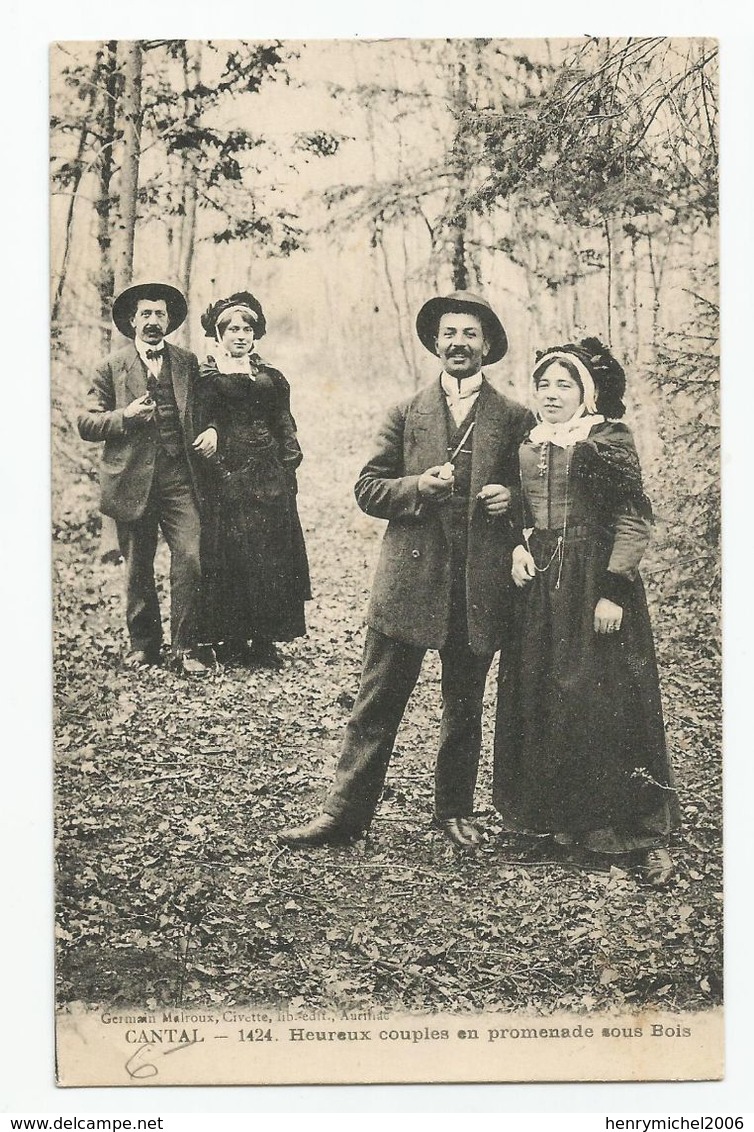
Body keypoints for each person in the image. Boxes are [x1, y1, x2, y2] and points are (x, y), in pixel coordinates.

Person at [279, 290, 531, 850]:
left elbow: (540, 496)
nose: (459, 343)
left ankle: (454, 810)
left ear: (487, 345)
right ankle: (344, 813)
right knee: (377, 702)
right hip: (409, 584)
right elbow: (368, 489)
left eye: (470, 334)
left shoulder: (516, 416)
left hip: (477, 586)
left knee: (464, 706)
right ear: (435, 344)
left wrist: (508, 499)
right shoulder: (405, 411)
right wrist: (417, 486)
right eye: (449, 334)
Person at [493, 337, 679, 886]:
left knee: (601, 697)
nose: (551, 395)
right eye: (544, 385)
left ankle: (620, 830)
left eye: (564, 385)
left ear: (585, 393)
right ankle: (549, 821)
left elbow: (633, 518)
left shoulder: (605, 440)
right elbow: (518, 510)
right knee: (542, 690)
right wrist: (518, 547)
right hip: (542, 586)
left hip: (593, 580)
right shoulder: (528, 442)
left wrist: (613, 591)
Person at [77, 281, 212, 675]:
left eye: (160, 314)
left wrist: (213, 431)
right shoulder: (110, 367)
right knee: (139, 565)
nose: (153, 321)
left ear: (169, 321)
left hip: (179, 480)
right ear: (132, 321)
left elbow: (209, 408)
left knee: (190, 557)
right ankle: (144, 646)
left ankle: (185, 648)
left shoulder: (187, 362)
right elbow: (86, 421)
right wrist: (125, 417)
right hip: (131, 481)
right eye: (146, 314)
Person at [192, 292, 310, 668]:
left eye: (247, 329)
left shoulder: (269, 376)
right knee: (231, 554)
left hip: (268, 473)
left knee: (270, 554)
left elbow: (282, 419)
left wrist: (288, 457)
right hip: (227, 473)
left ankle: (264, 638)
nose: (241, 335)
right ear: (219, 333)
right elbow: (203, 416)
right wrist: (211, 432)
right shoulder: (208, 377)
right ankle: (231, 638)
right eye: (233, 329)